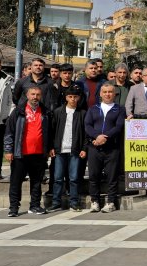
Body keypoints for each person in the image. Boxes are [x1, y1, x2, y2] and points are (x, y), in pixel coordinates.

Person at [4, 86, 52, 217]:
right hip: (21, 154)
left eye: (37, 94)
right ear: (27, 95)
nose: (35, 97)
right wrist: (8, 150)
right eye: (32, 94)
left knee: (36, 181)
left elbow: (50, 133)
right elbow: (9, 132)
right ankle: (14, 208)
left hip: (38, 154)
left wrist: (48, 149)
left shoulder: (45, 112)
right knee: (16, 182)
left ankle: (35, 205)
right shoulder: (18, 112)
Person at [85, 83, 125, 213]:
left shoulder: (119, 109)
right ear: (101, 94)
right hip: (94, 147)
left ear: (114, 94)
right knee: (94, 176)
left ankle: (111, 202)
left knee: (111, 176)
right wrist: (97, 137)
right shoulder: (93, 108)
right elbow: (88, 126)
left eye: (110, 92)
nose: (108, 94)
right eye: (105, 92)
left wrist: (104, 138)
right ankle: (95, 201)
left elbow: (118, 127)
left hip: (112, 148)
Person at [48, 84, 86, 212]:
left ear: (79, 98)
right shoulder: (58, 112)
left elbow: (86, 134)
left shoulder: (82, 113)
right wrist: (51, 147)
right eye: (70, 96)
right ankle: (56, 202)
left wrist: (84, 148)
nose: (73, 99)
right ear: (66, 97)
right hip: (60, 150)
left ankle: (74, 202)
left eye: (75, 97)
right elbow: (51, 131)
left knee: (74, 178)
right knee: (58, 178)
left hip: (74, 150)